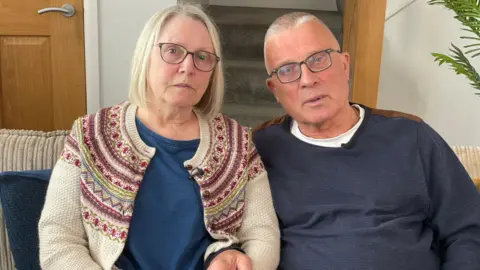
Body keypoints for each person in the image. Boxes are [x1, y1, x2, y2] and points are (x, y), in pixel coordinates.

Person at [229, 12, 480, 269]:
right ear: (275, 90)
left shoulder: (411, 137)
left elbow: (468, 230)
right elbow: (227, 231)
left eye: (318, 59)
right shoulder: (257, 150)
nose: (307, 79)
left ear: (345, 65)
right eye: (288, 70)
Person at [38, 4, 280, 270]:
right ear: (146, 55)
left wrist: (244, 263)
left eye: (202, 56)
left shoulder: (239, 144)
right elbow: (58, 240)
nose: (188, 67)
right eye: (173, 51)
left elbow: (262, 234)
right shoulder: (90, 135)